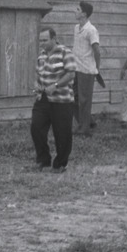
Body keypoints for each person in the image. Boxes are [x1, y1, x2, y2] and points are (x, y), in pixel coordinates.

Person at [30, 27, 78, 173]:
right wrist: (37, 85)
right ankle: (43, 161)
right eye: (40, 40)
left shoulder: (65, 52)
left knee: (62, 133)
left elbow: (71, 74)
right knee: (36, 128)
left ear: (54, 38)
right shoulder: (42, 56)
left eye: (45, 40)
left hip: (62, 100)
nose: (42, 43)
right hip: (44, 99)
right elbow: (39, 76)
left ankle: (60, 164)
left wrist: (56, 85)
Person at [72, 1, 101, 136]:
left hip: (87, 70)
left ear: (84, 14)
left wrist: (96, 68)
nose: (75, 11)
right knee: (73, 98)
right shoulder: (76, 28)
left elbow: (97, 51)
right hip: (76, 68)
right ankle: (88, 121)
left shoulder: (91, 30)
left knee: (84, 99)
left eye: (77, 9)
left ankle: (84, 129)